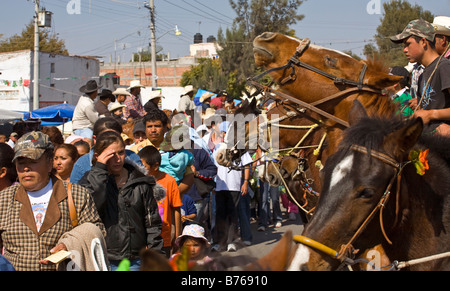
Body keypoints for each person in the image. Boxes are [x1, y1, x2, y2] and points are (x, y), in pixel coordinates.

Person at [0, 131, 105, 271]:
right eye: (21, 162)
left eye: (33, 161)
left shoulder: (76, 195)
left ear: (50, 164)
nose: (25, 168)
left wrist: (69, 244)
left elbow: (98, 232)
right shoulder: (4, 199)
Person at [79, 131, 163, 271]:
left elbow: (152, 223)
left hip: (135, 260)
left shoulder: (139, 181)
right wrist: (100, 170)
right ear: (98, 156)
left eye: (121, 152)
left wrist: (157, 257)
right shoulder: (88, 181)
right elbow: (92, 208)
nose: (117, 159)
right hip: (101, 258)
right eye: (111, 154)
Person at [391, 19, 450, 135]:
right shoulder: (422, 75)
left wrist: (431, 114)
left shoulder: (444, 67)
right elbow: (425, 111)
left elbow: (429, 114)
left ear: (423, 42)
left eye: (408, 44)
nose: (405, 50)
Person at [130, 109, 194, 196]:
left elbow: (189, 177)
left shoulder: (176, 149)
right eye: (149, 126)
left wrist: (171, 195)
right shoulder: (134, 151)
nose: (153, 130)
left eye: (157, 126)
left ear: (165, 128)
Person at [212, 122, 253, 252]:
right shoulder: (218, 147)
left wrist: (245, 182)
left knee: (232, 214)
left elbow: (247, 165)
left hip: (234, 186)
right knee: (220, 215)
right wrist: (213, 184)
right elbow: (214, 166)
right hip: (219, 187)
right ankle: (219, 242)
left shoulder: (239, 148)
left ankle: (231, 241)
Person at [138, 145, 182, 258]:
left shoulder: (169, 181)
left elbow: (176, 209)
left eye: (143, 166)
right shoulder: (139, 182)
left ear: (156, 166)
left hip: (164, 237)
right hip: (143, 238)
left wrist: (177, 236)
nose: (140, 169)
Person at [70, 117, 142, 184]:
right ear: (95, 139)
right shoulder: (82, 164)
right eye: (106, 138)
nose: (117, 159)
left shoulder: (132, 158)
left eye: (115, 137)